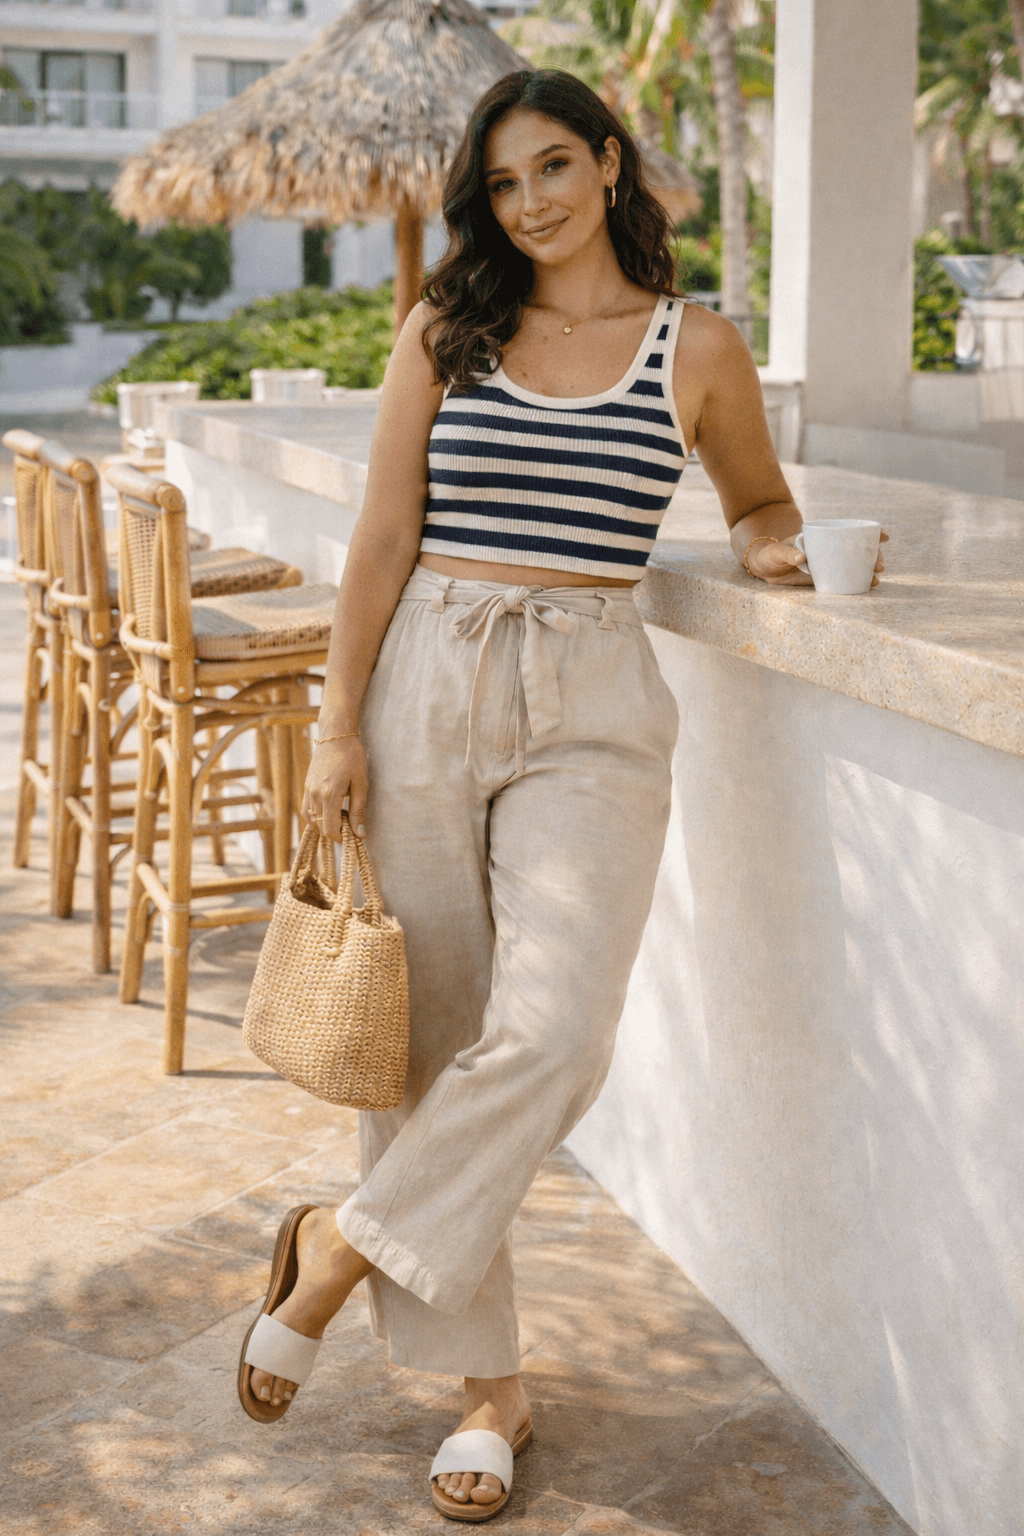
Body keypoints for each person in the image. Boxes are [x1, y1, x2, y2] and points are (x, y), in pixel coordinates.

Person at [236, 67, 884, 1523]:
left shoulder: (693, 344)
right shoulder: (447, 328)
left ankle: (337, 1247)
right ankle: (489, 1392)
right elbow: (381, 533)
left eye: (553, 169)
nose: (528, 202)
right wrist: (337, 730)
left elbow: (755, 501)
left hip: (594, 689)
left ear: (609, 164)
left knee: (556, 1030)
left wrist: (784, 551)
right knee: (437, 1036)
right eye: (503, 181)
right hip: (425, 676)